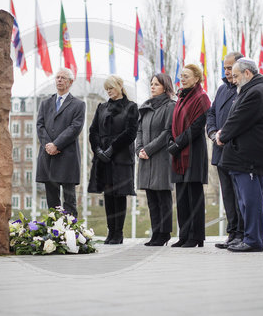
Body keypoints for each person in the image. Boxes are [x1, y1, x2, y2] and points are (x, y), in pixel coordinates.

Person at [216, 58, 263, 252]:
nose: (232, 80)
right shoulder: (252, 90)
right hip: (244, 157)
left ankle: (252, 240)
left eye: (236, 76)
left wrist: (222, 135)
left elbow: (238, 119)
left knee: (250, 201)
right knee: (246, 201)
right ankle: (250, 238)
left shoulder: (255, 93)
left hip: (249, 158)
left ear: (247, 73)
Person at [88, 75, 138, 244]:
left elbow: (131, 132)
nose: (109, 91)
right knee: (108, 195)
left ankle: (119, 233)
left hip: (121, 157)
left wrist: (112, 149)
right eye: (107, 89)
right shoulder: (102, 107)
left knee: (119, 195)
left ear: (120, 86)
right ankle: (110, 232)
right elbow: (93, 131)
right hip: (103, 158)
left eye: (111, 88)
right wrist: (98, 150)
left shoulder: (131, 107)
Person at [167, 64, 211, 248]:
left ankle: (196, 237)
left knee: (194, 196)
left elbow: (197, 126)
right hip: (179, 153)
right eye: (181, 76)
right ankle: (184, 235)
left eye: (186, 76)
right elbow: (174, 123)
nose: (182, 79)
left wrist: (178, 143)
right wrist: (172, 140)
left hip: (193, 152)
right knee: (182, 197)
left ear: (196, 78)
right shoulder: (180, 98)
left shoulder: (202, 98)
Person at [206, 52, 245, 249]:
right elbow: (211, 113)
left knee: (239, 196)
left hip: (236, 152)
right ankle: (232, 234)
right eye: (225, 68)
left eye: (230, 68)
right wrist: (213, 133)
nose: (227, 72)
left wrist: (225, 135)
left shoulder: (244, 89)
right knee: (228, 195)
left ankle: (242, 234)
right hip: (220, 152)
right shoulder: (222, 90)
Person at [36, 68, 86, 217]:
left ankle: (71, 234)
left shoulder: (78, 104)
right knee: (52, 199)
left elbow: (75, 128)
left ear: (70, 82)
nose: (59, 80)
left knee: (69, 199)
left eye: (63, 78)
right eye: (57, 77)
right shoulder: (45, 103)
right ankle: (55, 231)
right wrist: (49, 145)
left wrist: (56, 145)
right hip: (48, 156)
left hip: (67, 157)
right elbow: (40, 126)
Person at [136, 73, 176, 247]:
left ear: (165, 87)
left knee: (163, 197)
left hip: (161, 157)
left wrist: (149, 149)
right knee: (151, 197)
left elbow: (167, 132)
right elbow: (139, 131)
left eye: (156, 84)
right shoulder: (146, 107)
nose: (152, 87)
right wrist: (139, 149)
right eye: (151, 84)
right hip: (145, 158)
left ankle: (164, 233)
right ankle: (155, 233)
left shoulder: (170, 106)